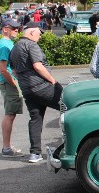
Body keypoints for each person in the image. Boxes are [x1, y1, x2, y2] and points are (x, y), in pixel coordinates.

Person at [9, 21, 63, 163]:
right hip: (43, 87)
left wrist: (25, 82)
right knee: (68, 108)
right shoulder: (31, 45)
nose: (40, 36)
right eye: (39, 33)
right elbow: (38, 66)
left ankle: (35, 153)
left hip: (27, 90)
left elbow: (14, 70)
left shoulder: (15, 47)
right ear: (32, 32)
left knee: (35, 118)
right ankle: (70, 148)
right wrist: (53, 81)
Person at [0, 19, 24, 157]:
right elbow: (2, 69)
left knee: (11, 114)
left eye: (17, 28)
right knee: (10, 114)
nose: (16, 31)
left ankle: (7, 147)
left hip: (10, 82)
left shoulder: (8, 43)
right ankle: (6, 148)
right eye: (14, 28)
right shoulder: (3, 45)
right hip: (8, 83)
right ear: (5, 29)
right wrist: (13, 83)